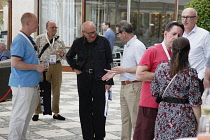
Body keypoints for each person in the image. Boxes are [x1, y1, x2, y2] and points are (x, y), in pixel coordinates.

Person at [133, 21, 184, 140]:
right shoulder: (153, 51)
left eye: (180, 35)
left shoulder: (178, 55)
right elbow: (139, 75)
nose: (176, 38)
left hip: (171, 106)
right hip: (150, 104)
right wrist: (165, 75)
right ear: (165, 34)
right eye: (174, 34)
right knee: (144, 136)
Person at [66, 21, 114, 140]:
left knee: (99, 109)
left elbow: (109, 61)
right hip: (84, 79)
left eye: (94, 32)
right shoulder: (78, 42)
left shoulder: (103, 42)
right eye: (90, 33)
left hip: (100, 79)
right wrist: (75, 68)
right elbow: (69, 56)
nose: (93, 35)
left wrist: (109, 81)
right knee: (84, 109)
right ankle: (87, 136)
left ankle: (99, 136)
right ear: (84, 32)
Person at [102, 20, 146, 140]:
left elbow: (142, 68)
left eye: (118, 33)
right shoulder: (128, 45)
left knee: (135, 120)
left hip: (134, 87)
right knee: (125, 120)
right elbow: (126, 68)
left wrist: (124, 70)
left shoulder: (137, 46)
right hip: (125, 86)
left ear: (124, 33)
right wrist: (115, 72)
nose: (117, 36)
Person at [151, 37, 202, 139]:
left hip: (164, 116)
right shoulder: (190, 73)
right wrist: (200, 123)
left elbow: (154, 92)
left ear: (172, 50)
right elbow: (195, 102)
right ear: (188, 51)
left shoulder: (161, 68)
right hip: (184, 117)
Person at [8, 12, 45, 140]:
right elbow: (15, 63)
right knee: (19, 115)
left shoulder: (29, 39)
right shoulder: (19, 40)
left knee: (27, 115)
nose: (37, 25)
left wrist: (39, 66)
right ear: (27, 23)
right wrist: (36, 67)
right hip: (23, 84)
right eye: (35, 22)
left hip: (31, 83)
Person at [32, 21, 66, 121]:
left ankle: (56, 112)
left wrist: (62, 54)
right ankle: (37, 112)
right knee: (41, 88)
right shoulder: (39, 38)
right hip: (44, 65)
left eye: (55, 27)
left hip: (56, 65)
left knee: (56, 89)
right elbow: (34, 52)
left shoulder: (59, 40)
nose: (54, 29)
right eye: (52, 27)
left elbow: (65, 57)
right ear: (46, 28)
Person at [181, 8, 210, 93]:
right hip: (179, 81)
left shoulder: (204, 35)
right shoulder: (179, 34)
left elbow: (208, 58)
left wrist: (201, 77)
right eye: (183, 17)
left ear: (196, 19)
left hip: (197, 80)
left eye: (188, 17)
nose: (185, 20)